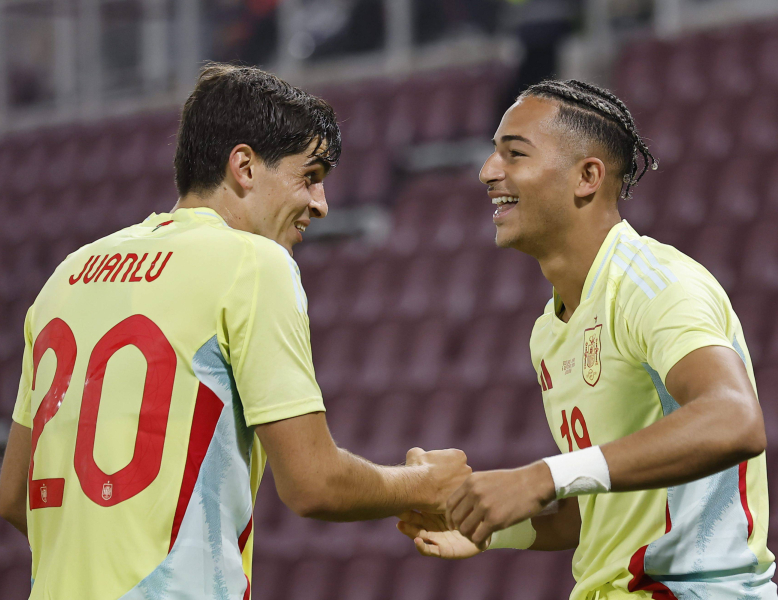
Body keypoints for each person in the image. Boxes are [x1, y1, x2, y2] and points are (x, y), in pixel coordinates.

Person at [0, 63, 470, 599]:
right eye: (309, 177)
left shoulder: (69, 274)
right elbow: (313, 484)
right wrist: (424, 484)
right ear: (244, 166)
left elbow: (15, 497)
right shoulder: (254, 263)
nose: (321, 204)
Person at [397, 80, 777, 599]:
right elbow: (601, 502)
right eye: (492, 153)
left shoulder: (656, 285)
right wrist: (489, 523)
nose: (488, 171)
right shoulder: (548, 331)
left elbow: (735, 418)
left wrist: (538, 477)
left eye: (514, 153)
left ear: (587, 176)